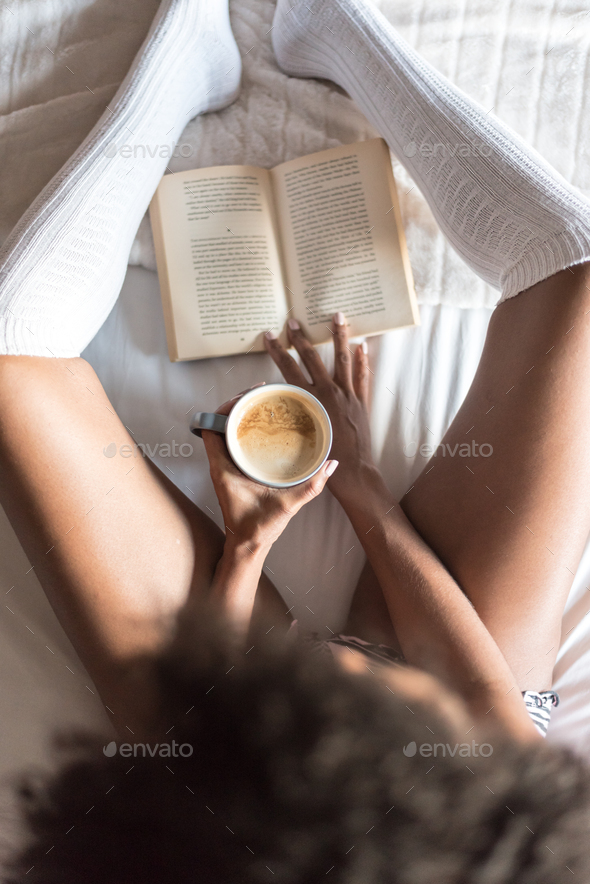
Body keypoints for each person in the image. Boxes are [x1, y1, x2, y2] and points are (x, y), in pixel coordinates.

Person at [2, 0, 590, 879]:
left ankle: (184, 67)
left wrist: (244, 550)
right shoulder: (496, 833)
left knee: (10, 356)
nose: (336, 664)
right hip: (472, 702)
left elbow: (197, 712)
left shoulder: (187, 840)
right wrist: (362, 492)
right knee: (576, 281)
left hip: (220, 746)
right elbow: (484, 714)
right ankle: (332, 31)